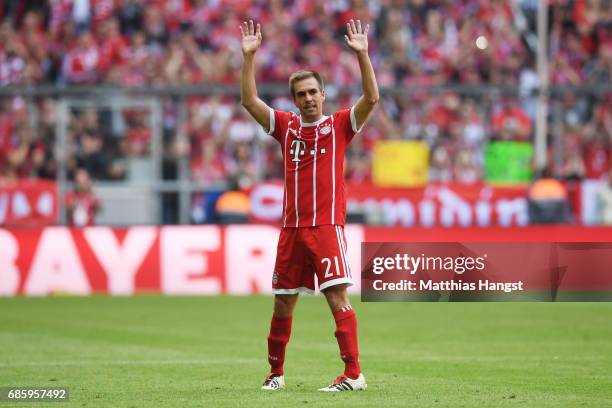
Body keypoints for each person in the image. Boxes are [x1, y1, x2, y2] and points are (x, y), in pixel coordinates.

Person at [239, 19, 378, 392]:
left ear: (324, 94)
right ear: (294, 100)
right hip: (291, 230)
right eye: (301, 94)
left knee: (337, 296)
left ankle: (353, 374)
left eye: (313, 92)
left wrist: (362, 55)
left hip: (326, 226)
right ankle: (275, 374)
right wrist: (249, 58)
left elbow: (371, 100)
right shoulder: (286, 127)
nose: (309, 99)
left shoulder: (339, 126)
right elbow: (249, 101)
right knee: (282, 303)